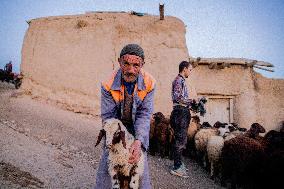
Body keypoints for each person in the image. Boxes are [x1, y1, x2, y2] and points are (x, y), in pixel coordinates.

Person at [95, 44, 156, 188]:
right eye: (126, 64)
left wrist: (138, 140)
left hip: (137, 127)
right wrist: (118, 141)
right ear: (119, 62)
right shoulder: (107, 84)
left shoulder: (149, 83)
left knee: (140, 171)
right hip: (116, 128)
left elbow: (144, 114)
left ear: (142, 64)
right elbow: (108, 116)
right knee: (108, 168)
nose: (130, 70)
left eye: (136, 65)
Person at [170, 61, 194, 178]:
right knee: (180, 140)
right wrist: (192, 101)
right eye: (190, 69)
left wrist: (191, 105)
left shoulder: (181, 81)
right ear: (184, 69)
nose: (190, 72)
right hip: (180, 113)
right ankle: (176, 167)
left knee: (181, 139)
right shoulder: (179, 80)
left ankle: (178, 163)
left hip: (181, 111)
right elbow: (177, 97)